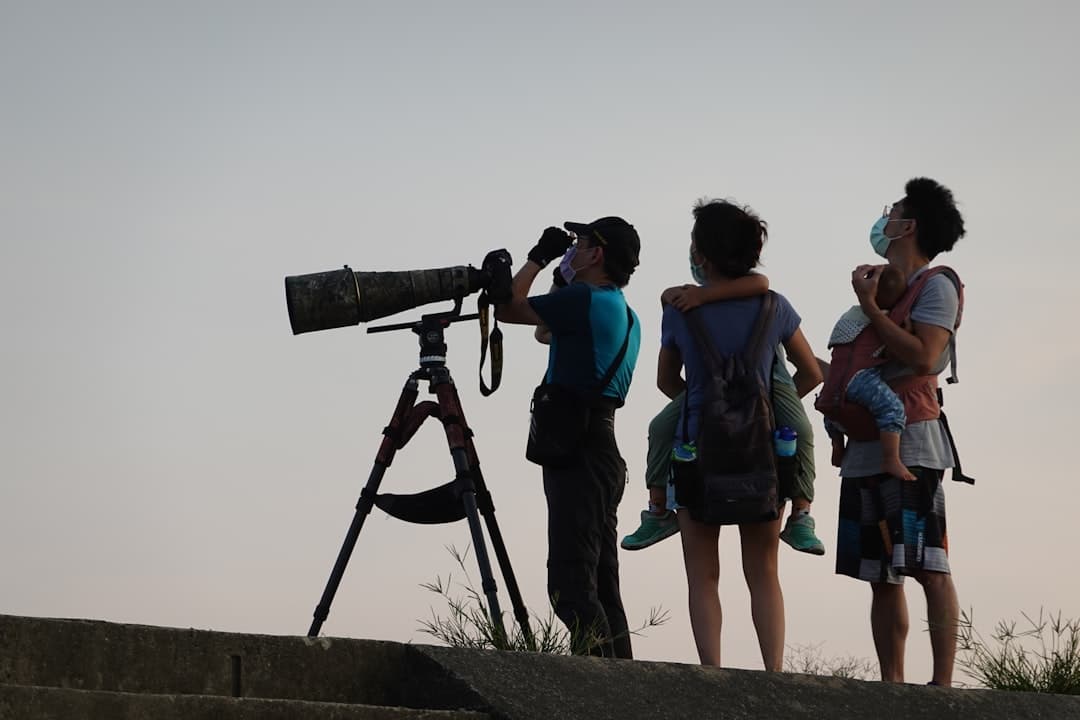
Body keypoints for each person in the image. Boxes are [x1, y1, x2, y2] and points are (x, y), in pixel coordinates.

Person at [658, 199, 822, 669]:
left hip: (696, 450)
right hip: (763, 451)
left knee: (702, 575)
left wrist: (705, 403)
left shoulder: (680, 309)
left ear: (703, 255)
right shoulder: (774, 307)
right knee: (764, 571)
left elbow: (666, 382)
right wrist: (770, 405)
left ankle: (712, 671)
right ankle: (773, 672)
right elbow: (810, 373)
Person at [831, 177, 967, 686]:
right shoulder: (890, 285)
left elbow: (927, 355)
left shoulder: (936, 285)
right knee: (879, 574)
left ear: (907, 226)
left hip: (911, 442)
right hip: (867, 445)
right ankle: (893, 687)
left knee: (928, 563)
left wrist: (869, 309)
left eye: (892, 212)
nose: (883, 220)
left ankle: (941, 686)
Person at [495, 216, 641, 659]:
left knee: (570, 585)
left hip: (579, 451)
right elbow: (544, 331)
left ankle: (594, 690)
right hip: (601, 448)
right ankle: (625, 693)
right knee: (602, 586)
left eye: (577, 244)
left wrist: (538, 260)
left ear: (596, 254)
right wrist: (562, 274)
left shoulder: (584, 298)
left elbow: (508, 307)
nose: (570, 251)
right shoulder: (619, 309)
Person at [620, 263, 825, 555]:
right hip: (711, 394)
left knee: (800, 430)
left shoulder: (753, 296)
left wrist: (767, 412)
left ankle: (801, 513)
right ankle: (657, 511)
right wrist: (715, 411)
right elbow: (667, 297)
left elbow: (761, 282)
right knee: (660, 427)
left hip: (765, 385)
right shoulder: (690, 300)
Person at [821, 263, 914, 481]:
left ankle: (837, 446)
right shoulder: (884, 319)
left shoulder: (850, 315)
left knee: (831, 411)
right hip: (860, 377)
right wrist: (907, 330)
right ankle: (891, 458)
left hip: (835, 380)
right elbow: (895, 351)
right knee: (892, 409)